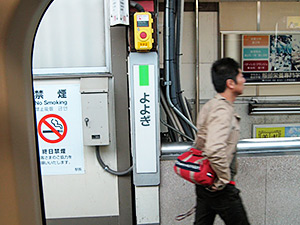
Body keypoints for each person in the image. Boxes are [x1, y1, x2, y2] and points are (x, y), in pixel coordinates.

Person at [193, 57, 250, 225]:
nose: (244, 80)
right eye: (241, 76)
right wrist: (224, 179)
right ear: (230, 83)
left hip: (205, 181)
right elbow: (213, 148)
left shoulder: (211, 105)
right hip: (219, 185)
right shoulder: (222, 110)